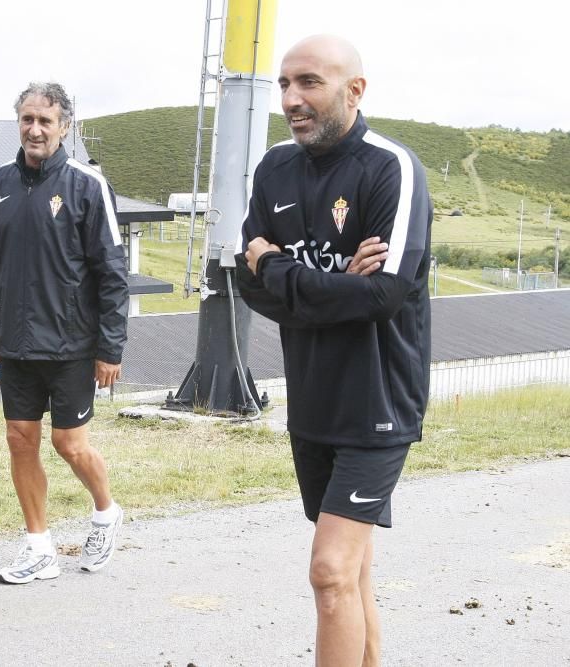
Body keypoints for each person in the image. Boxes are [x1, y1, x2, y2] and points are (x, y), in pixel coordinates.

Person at [234, 35, 432, 666]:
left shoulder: (390, 169)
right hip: (312, 400)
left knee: (328, 572)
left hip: (377, 401)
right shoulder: (273, 169)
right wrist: (333, 282)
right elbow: (247, 281)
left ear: (354, 90)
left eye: (310, 83)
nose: (292, 99)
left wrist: (283, 269)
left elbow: (384, 294)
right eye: (285, 85)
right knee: (352, 577)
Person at [0, 82, 129, 584]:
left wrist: (110, 346)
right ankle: (38, 546)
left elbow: (112, 273)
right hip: (15, 342)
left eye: (45, 121)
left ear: (64, 127)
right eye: (27, 120)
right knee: (20, 440)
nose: (35, 129)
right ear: (18, 123)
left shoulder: (86, 184)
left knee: (68, 444)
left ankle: (105, 512)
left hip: (73, 345)